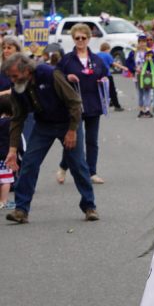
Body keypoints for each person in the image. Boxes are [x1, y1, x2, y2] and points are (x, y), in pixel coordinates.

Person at [2, 54, 98, 223]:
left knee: (77, 165)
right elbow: (17, 118)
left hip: (67, 122)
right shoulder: (17, 86)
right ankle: (21, 210)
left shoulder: (51, 74)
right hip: (43, 125)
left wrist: (72, 131)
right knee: (29, 164)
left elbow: (75, 103)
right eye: (10, 76)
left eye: (14, 75)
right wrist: (12, 149)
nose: (12, 79)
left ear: (26, 70)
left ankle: (89, 206)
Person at [56, 23, 108, 185]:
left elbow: (106, 75)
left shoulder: (97, 59)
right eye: (77, 38)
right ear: (73, 39)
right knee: (73, 140)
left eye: (83, 38)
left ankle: (92, 172)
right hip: (74, 106)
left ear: (88, 39)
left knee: (92, 140)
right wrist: (67, 78)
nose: (80, 40)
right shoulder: (67, 60)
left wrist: (104, 80)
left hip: (93, 104)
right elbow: (56, 77)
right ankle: (63, 167)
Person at [126, 33, 154, 117]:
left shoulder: (149, 51)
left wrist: (151, 60)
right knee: (140, 93)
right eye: (141, 42)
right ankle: (141, 110)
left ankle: (147, 110)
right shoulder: (133, 52)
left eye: (144, 42)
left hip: (147, 75)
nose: (142, 44)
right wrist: (134, 68)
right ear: (138, 43)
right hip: (137, 76)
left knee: (147, 92)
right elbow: (128, 62)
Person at [97, 41, 124, 112]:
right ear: (107, 49)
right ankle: (116, 106)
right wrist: (123, 67)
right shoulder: (107, 55)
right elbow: (113, 63)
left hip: (98, 75)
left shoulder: (97, 55)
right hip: (107, 75)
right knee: (112, 90)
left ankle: (102, 104)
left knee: (101, 90)